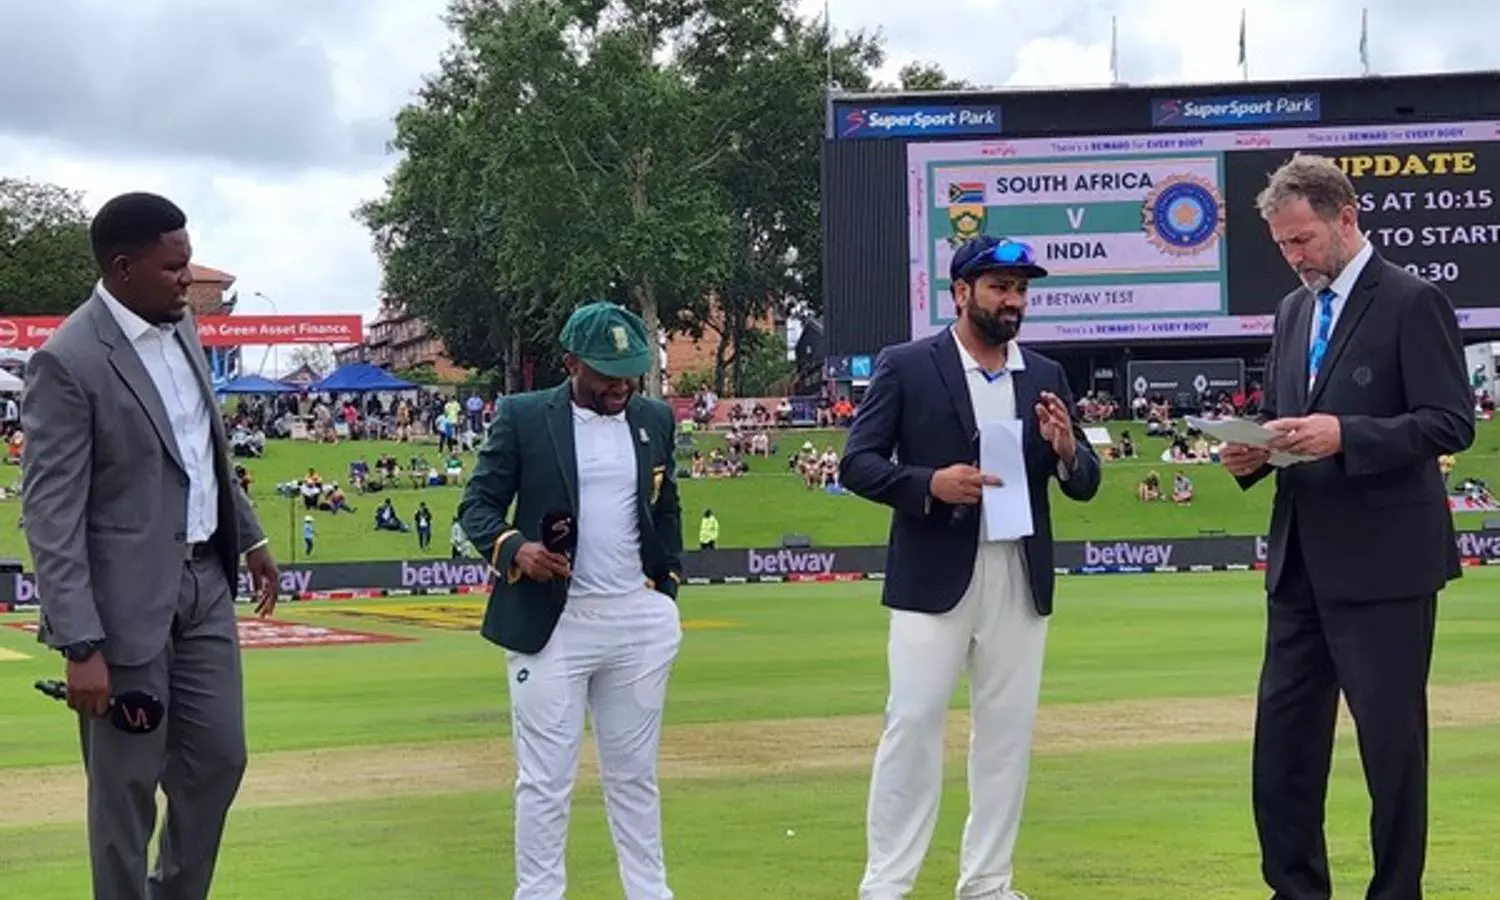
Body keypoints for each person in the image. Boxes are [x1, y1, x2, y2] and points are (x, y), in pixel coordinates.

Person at [1219, 153, 1474, 900]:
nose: (1293, 257)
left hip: (1385, 567)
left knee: (1391, 754)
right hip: (1299, 562)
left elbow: (1449, 422)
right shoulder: (1293, 311)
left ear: (1347, 217)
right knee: (1282, 752)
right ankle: (1295, 891)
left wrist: (1348, 435)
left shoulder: (1413, 301)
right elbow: (1289, 420)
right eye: (1282, 245)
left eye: (1302, 240)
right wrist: (1255, 452)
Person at [19, 191, 281, 900]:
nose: (187, 279)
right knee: (125, 791)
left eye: (189, 261)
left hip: (204, 585)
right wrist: (79, 643)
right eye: (174, 267)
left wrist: (250, 534)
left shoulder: (182, 325)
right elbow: (51, 514)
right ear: (123, 267)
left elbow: (203, 450)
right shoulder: (68, 361)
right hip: (121, 611)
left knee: (220, 760)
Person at [839, 234, 1101, 900]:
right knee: (912, 723)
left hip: (1019, 572)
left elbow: (1084, 481)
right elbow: (857, 464)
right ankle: (886, 884)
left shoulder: (1044, 374)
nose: (1013, 301)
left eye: (1021, 290)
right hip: (934, 573)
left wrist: (1068, 451)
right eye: (1000, 288)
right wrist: (930, 483)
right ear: (961, 292)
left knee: (1007, 733)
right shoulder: (907, 365)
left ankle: (987, 882)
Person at [458, 300, 684, 900]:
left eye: (631, 372)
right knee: (545, 782)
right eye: (608, 373)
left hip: (636, 621)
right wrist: (516, 550)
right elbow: (476, 506)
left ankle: (650, 893)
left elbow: (666, 506)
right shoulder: (524, 416)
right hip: (553, 623)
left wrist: (667, 586)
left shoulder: (654, 418)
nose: (621, 385)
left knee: (635, 779)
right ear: (571, 364)